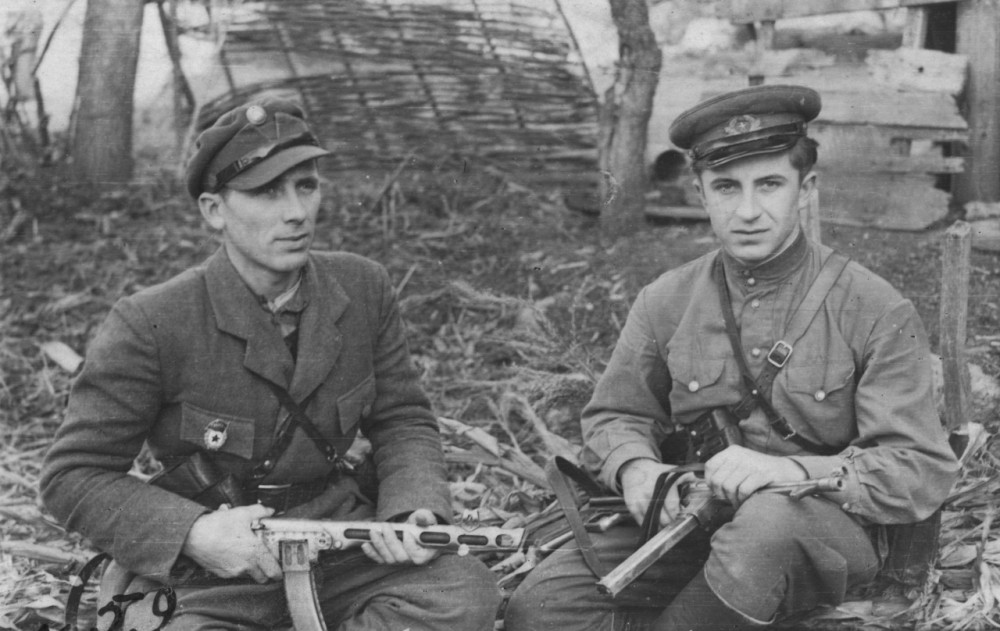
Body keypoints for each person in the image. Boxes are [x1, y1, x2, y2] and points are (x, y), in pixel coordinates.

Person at [504, 85, 960, 630]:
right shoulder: (666, 300)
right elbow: (615, 415)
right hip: (693, 512)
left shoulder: (874, 308)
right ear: (701, 194)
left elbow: (917, 468)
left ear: (805, 189)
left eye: (769, 185)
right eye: (726, 187)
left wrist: (787, 469)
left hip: (821, 528)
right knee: (546, 608)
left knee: (765, 527)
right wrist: (636, 467)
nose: (747, 212)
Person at [41, 97, 501, 631]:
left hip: (340, 546)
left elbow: (402, 419)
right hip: (211, 573)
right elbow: (72, 476)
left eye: (306, 185)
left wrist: (410, 510)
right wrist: (196, 534)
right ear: (214, 210)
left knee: (463, 594)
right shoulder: (152, 321)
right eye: (266, 191)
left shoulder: (362, 287)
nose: (297, 212)